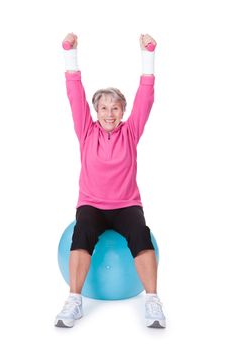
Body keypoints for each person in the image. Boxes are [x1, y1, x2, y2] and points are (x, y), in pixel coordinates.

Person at [55, 32, 166, 329]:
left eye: (115, 108)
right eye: (103, 108)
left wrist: (148, 55)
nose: (109, 113)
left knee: (141, 236)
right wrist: (70, 54)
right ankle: (74, 301)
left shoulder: (130, 133)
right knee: (82, 236)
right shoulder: (86, 131)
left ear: (123, 111)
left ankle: (153, 301)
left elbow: (146, 97)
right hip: (91, 204)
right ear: (96, 111)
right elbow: (74, 94)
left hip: (127, 204)